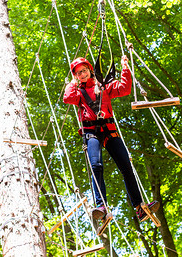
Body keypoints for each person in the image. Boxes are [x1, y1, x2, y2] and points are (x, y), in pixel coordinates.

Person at [63, 56, 159, 222]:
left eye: (84, 70)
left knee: (126, 166)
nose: (82, 74)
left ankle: (139, 207)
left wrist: (125, 68)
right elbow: (68, 98)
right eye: (78, 73)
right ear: (76, 76)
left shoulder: (104, 86)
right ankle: (101, 206)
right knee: (96, 166)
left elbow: (124, 89)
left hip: (109, 130)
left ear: (90, 70)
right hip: (91, 132)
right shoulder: (78, 93)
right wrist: (72, 82)